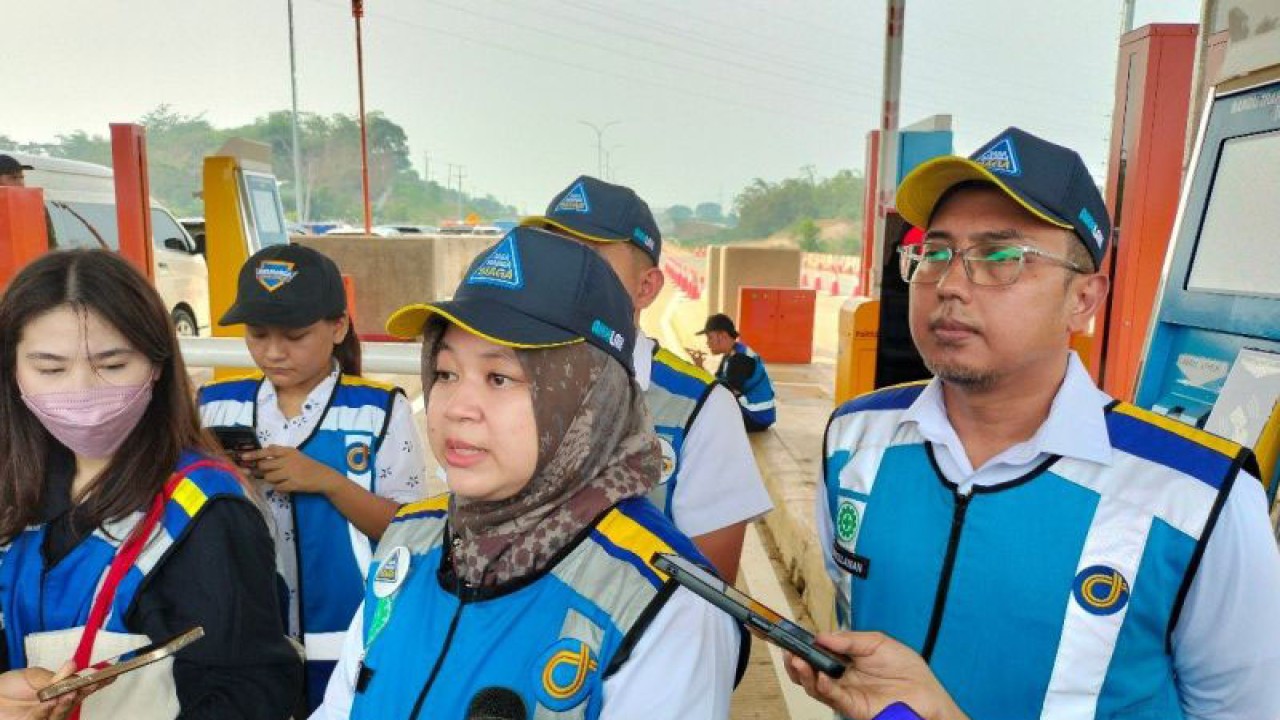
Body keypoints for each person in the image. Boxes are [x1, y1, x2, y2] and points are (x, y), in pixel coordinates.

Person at [808, 127, 1280, 719]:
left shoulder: (1196, 496)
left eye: (1000, 258)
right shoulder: (854, 440)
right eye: (934, 254)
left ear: (1083, 299)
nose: (949, 285)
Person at [313, 227, 745, 719]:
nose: (456, 407)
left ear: (586, 398)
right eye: (447, 373)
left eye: (499, 378)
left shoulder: (663, 605)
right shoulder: (411, 541)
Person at [0, 249, 300, 719]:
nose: (82, 390)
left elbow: (253, 693)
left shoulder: (208, 514)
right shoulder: (14, 488)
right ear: (12, 370)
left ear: (157, 365)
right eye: (50, 369)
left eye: (113, 365)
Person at [197, 244, 428, 713]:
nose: (273, 352)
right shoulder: (213, 404)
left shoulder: (380, 409)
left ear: (338, 326)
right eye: (257, 335)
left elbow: (411, 532)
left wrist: (330, 481)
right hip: (243, 633)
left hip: (348, 636)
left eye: (295, 336)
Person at [521, 176, 772, 582]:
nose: (564, 277)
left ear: (646, 287)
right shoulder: (503, 381)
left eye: (589, 260)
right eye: (555, 256)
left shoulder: (701, 410)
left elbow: (709, 600)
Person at [693, 313, 776, 432]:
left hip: (756, 416)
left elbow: (725, 392)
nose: (707, 343)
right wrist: (700, 366)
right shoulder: (732, 354)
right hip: (754, 413)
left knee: (702, 415)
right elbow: (716, 384)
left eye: (710, 337)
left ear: (723, 336)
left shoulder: (740, 359)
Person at [0, 154, 55, 248]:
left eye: (22, 177)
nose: (21, 183)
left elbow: (51, 244)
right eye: (13, 178)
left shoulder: (36, 208)